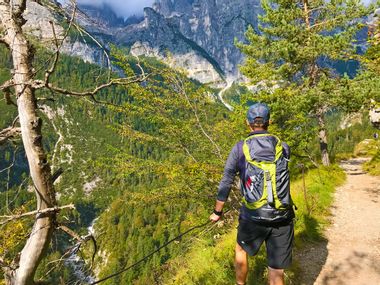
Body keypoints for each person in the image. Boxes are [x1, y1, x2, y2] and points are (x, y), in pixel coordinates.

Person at [209, 103, 294, 285]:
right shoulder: (283, 147)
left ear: (248, 123)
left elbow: (226, 181)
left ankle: (241, 284)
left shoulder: (240, 148)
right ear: (268, 122)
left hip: (253, 216)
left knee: (240, 250)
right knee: (276, 269)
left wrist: (217, 212)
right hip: (282, 215)